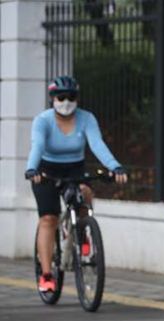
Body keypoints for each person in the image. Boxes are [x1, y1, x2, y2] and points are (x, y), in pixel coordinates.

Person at [25, 75, 127, 293]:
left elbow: (97, 144)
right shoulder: (43, 121)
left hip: (74, 168)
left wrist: (115, 167)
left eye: (71, 97)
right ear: (52, 98)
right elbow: (38, 146)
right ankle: (46, 274)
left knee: (85, 194)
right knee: (48, 218)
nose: (66, 101)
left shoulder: (86, 118)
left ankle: (83, 235)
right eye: (61, 97)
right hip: (46, 171)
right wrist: (32, 169)